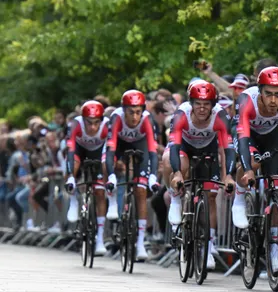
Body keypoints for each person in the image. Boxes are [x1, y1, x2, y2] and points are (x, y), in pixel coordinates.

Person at [232, 67, 278, 271]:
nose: (273, 101)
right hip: (249, 135)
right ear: (259, 92)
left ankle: (274, 246)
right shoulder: (246, 100)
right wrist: (248, 169)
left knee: (277, 188)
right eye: (268, 94)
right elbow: (243, 137)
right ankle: (239, 198)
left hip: (274, 136)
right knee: (253, 163)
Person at [164, 80, 236, 270]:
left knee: (211, 196)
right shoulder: (181, 114)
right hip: (185, 148)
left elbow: (227, 149)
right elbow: (174, 147)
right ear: (191, 103)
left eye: (206, 105)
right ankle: (176, 198)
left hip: (209, 149)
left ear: (213, 106)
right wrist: (178, 174)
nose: (202, 109)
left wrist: (227, 175)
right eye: (198, 104)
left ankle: (209, 243)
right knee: (171, 162)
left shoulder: (220, 116)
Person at [104, 90, 160, 261]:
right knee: (106, 163)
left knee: (141, 191)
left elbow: (152, 152)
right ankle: (112, 200)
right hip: (119, 144)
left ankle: (141, 242)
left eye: (138, 112)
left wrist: (152, 176)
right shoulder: (116, 118)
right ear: (124, 110)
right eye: (131, 112)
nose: (135, 116)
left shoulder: (147, 119)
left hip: (140, 144)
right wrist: (112, 176)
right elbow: (110, 151)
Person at [64, 101, 110, 253]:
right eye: (89, 123)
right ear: (83, 119)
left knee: (99, 192)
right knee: (71, 165)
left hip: (98, 153)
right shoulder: (75, 124)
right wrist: (71, 176)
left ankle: (100, 239)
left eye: (96, 123)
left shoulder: (107, 126)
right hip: (79, 151)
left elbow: (109, 153)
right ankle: (73, 199)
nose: (92, 127)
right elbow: (71, 150)